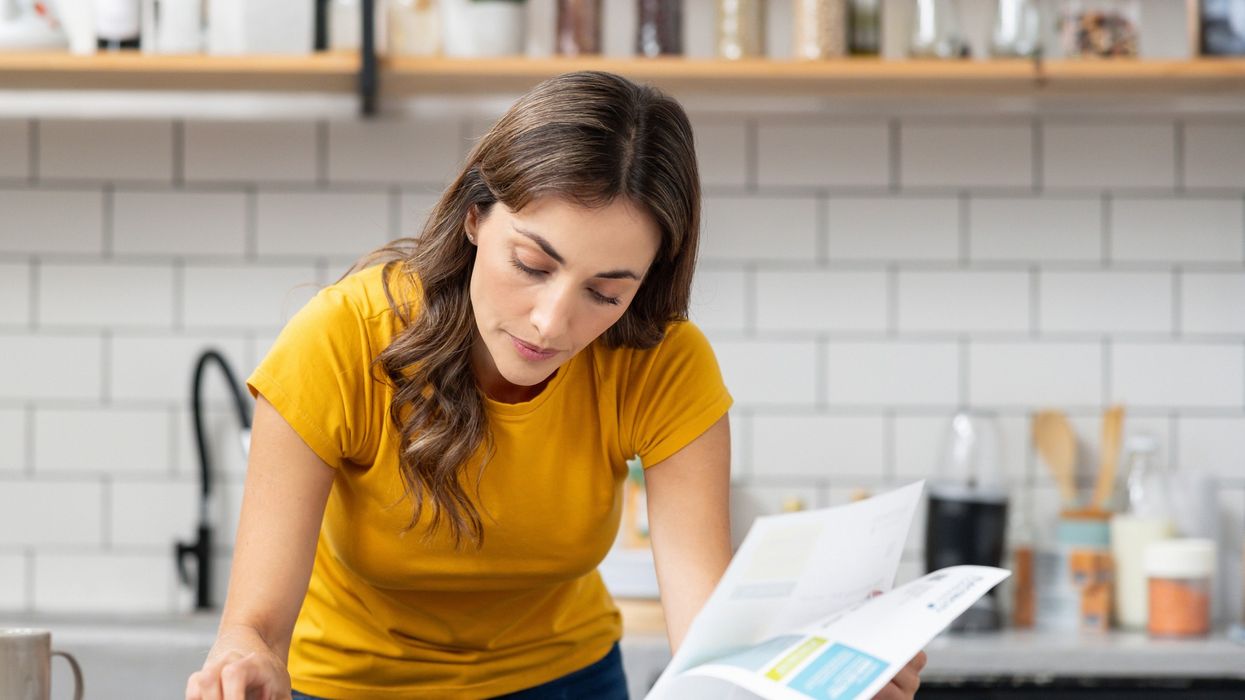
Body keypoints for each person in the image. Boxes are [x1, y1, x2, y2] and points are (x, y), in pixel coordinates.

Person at [184, 71, 926, 700]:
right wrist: (242, 663)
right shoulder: (343, 337)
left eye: (605, 292)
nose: (550, 322)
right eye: (532, 265)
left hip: (565, 680)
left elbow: (707, 645)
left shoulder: (661, 363)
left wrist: (809, 678)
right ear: (475, 215)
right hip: (349, 685)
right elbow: (253, 627)